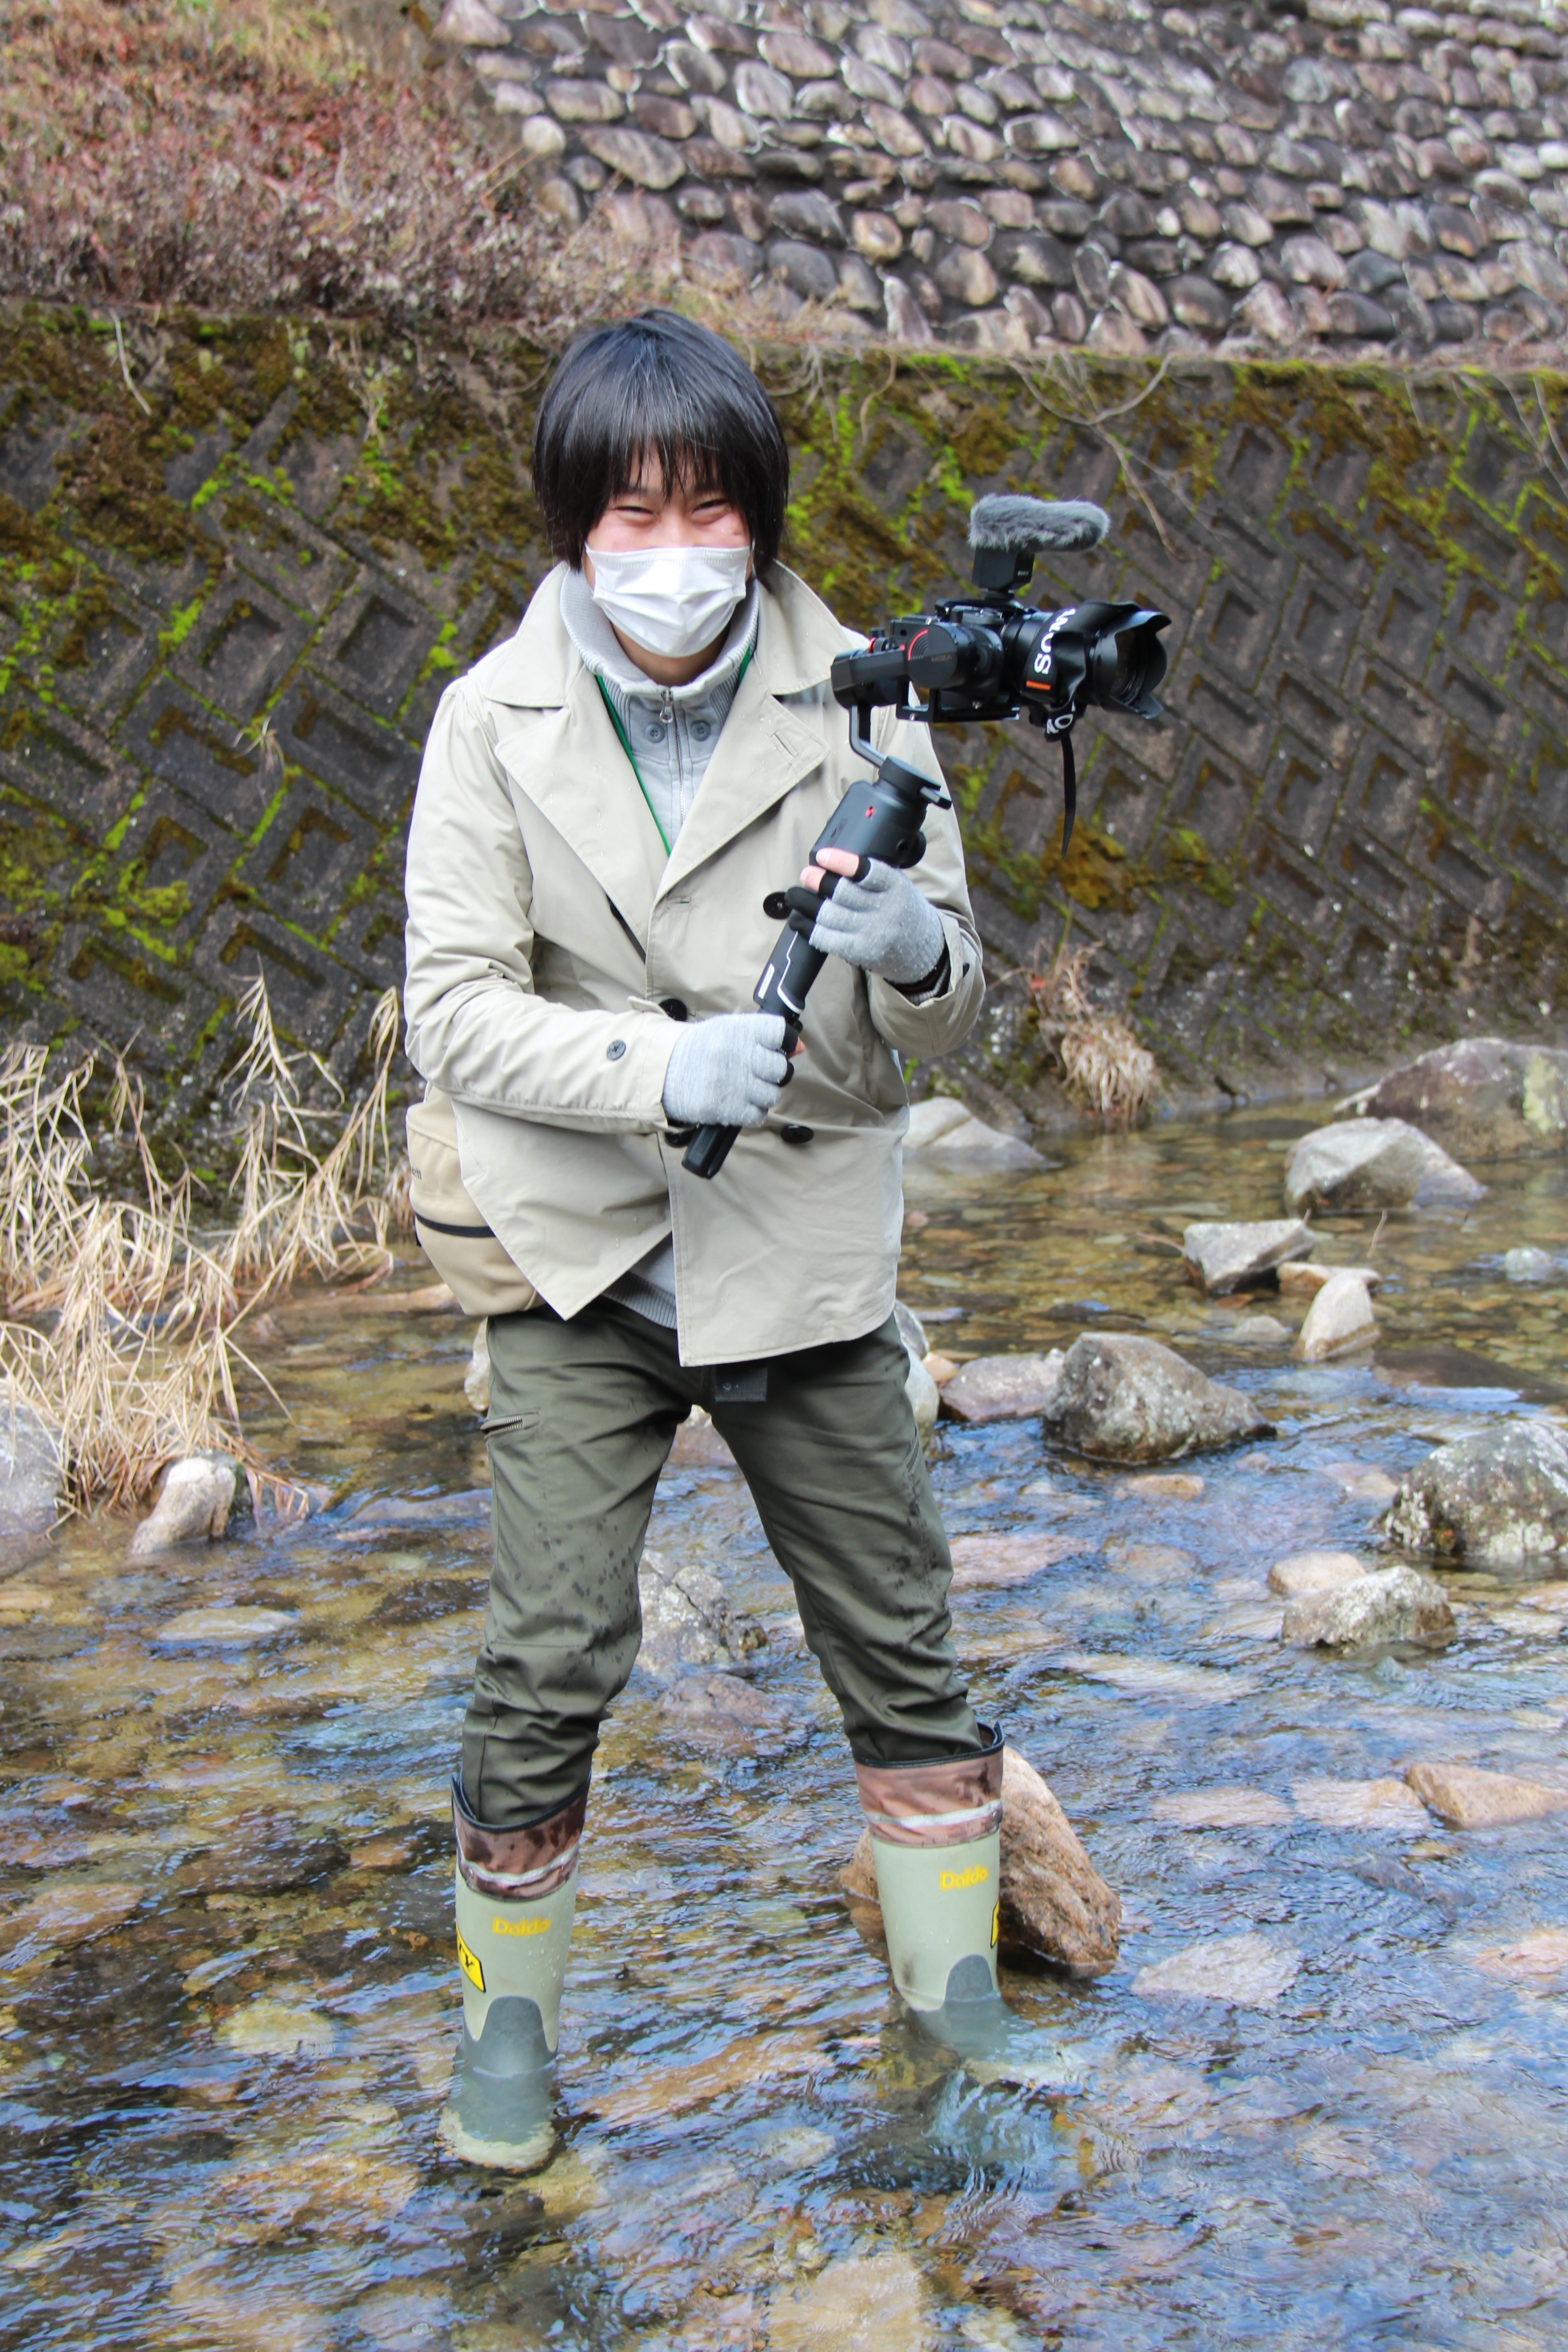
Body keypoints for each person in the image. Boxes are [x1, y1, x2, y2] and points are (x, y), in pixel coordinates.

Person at [402, 309, 1007, 2172]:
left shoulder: (876, 693)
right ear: (576, 525)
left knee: (898, 1643)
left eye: (709, 510)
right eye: (632, 515)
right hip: (573, 1240)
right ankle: (506, 2034)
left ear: (762, 516)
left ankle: (955, 2011)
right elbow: (456, 1010)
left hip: (799, 1238)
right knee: (551, 1651)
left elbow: (960, 1009)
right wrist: (663, 1060)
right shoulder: (488, 721)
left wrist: (915, 955)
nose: (674, 553)